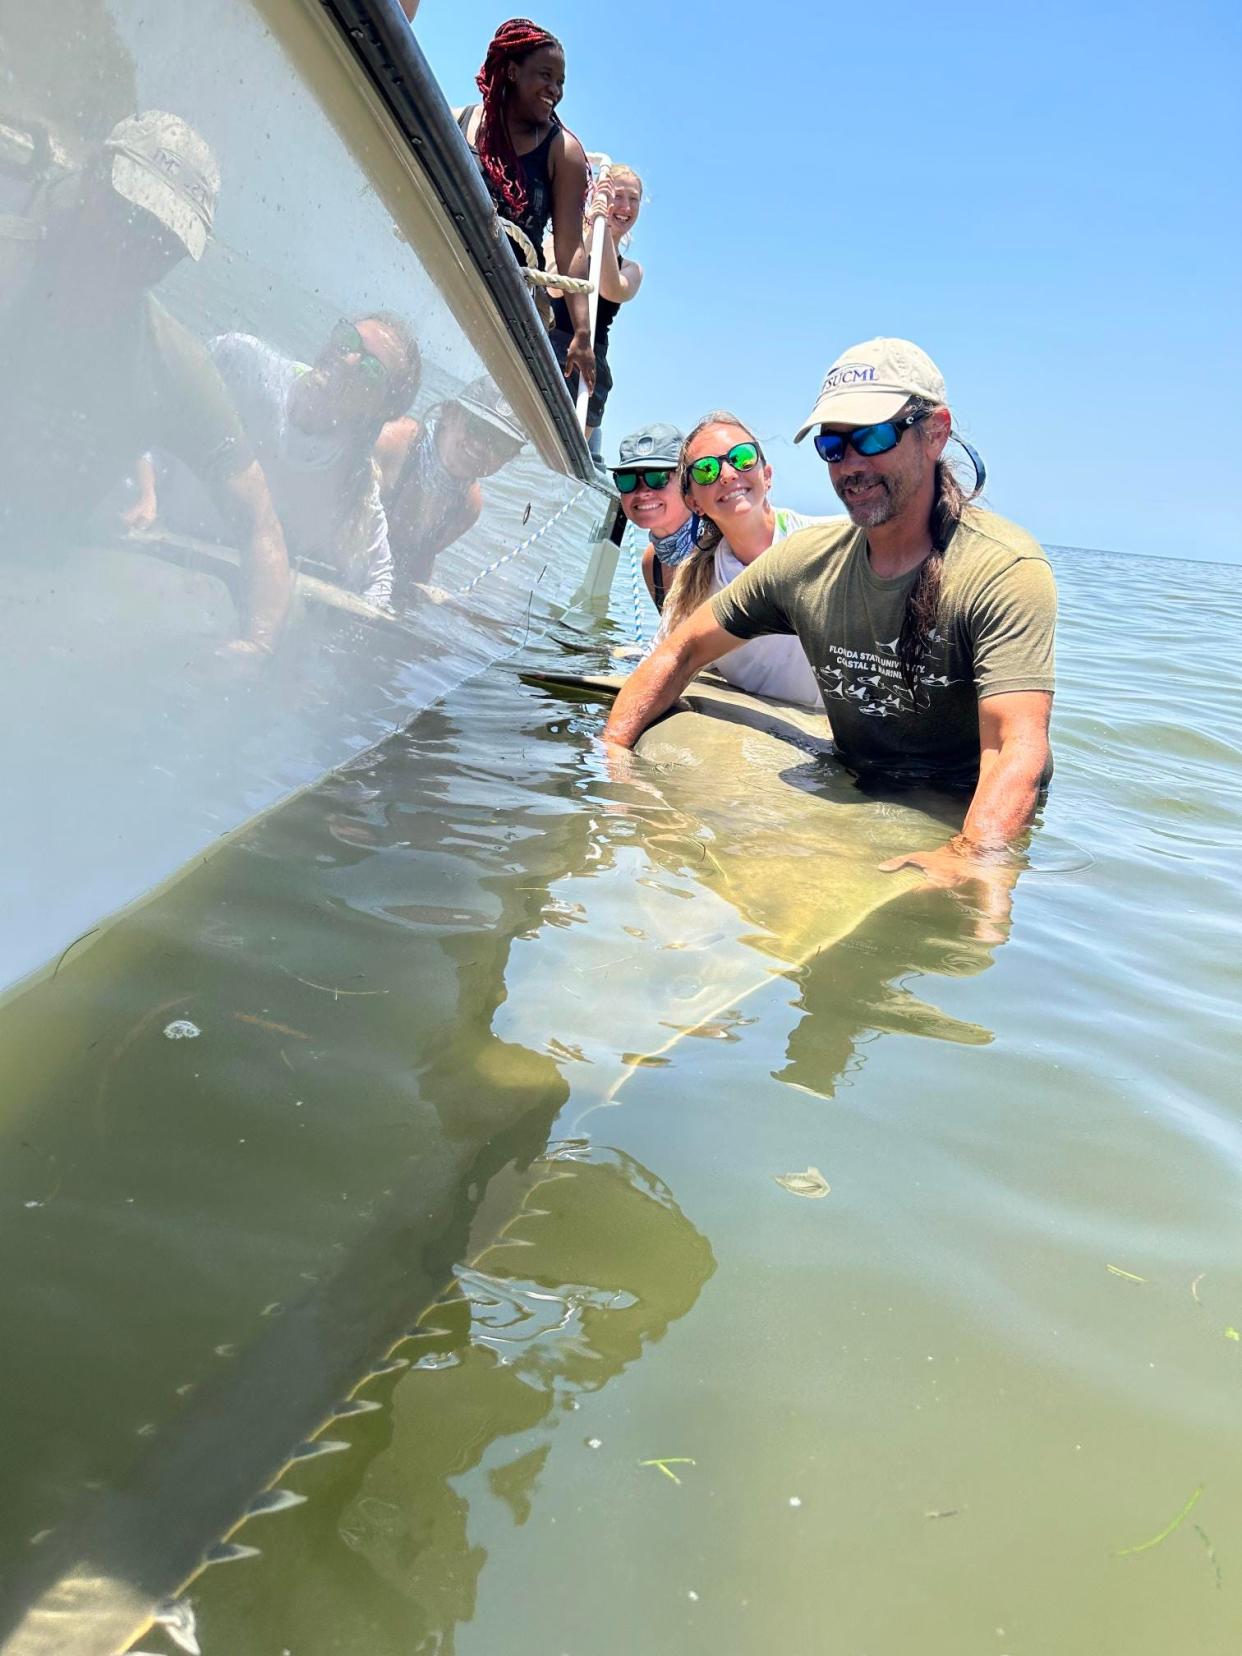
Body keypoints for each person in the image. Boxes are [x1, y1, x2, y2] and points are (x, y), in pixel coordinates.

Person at [603, 339, 1057, 888]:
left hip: (963, 811)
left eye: (871, 436)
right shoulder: (804, 562)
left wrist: (971, 852)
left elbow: (1016, 744)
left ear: (935, 431)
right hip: (851, 785)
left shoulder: (1005, 567)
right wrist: (611, 757)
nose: (852, 465)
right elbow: (683, 648)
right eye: (833, 445)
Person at [0, 110, 291, 653]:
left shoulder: (171, 365)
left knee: (197, 602)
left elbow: (259, 525)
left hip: (37, 577)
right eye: (129, 215)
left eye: (162, 242)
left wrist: (257, 645)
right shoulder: (10, 257)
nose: (133, 249)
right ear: (93, 178)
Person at [142, 314, 421, 606]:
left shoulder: (352, 480)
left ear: (384, 409)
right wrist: (146, 489)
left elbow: (378, 579)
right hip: (147, 549)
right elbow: (152, 415)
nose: (349, 359)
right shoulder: (243, 364)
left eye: (371, 370)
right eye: (347, 339)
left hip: (218, 601)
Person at [454, 19, 594, 395]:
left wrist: (582, 330)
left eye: (561, 82)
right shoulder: (459, 122)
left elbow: (570, 245)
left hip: (511, 298)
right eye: (545, 75)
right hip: (448, 265)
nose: (555, 90)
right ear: (512, 71)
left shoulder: (564, 152)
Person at [651, 412, 829, 707]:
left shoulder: (826, 544)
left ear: (767, 475)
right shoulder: (695, 586)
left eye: (742, 457)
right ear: (693, 503)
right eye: (706, 470)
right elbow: (662, 660)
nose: (728, 474)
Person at [376, 375, 526, 598]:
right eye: (476, 427)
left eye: (501, 443)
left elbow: (419, 565)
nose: (481, 446)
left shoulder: (468, 504)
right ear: (449, 412)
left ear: (511, 456)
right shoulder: (392, 443)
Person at [549, 165, 645, 453]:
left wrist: (603, 228)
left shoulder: (632, 269)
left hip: (591, 363)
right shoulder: (560, 242)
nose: (625, 207)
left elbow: (608, 288)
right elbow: (557, 285)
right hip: (551, 344)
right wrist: (592, 226)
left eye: (634, 199)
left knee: (567, 452)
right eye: (617, 196)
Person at [610, 422, 692, 614]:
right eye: (627, 479)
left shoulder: (719, 545)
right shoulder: (652, 561)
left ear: (687, 481)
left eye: (657, 477)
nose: (643, 492)